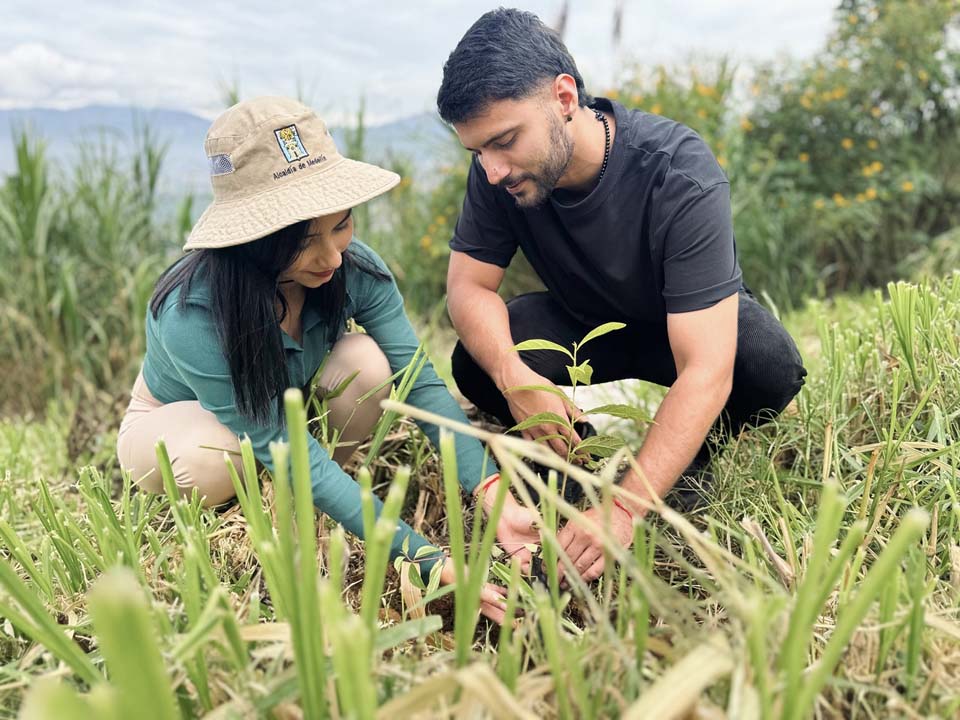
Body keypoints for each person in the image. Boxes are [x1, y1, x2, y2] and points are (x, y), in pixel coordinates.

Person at [116, 96, 535, 623]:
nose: (332, 257)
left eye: (341, 225)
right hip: (179, 422)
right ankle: (247, 508)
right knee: (214, 454)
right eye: (302, 242)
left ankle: (317, 494)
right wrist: (424, 557)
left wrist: (492, 490)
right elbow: (285, 445)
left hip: (283, 410)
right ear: (252, 239)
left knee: (368, 364)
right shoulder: (192, 312)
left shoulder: (354, 269)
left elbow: (418, 379)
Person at [437, 10, 807, 583]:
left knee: (766, 364)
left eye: (505, 141)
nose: (492, 170)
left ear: (564, 98)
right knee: (477, 359)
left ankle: (690, 461)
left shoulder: (678, 171)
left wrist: (626, 508)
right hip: (586, 326)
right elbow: (467, 286)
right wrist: (516, 378)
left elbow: (706, 367)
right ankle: (571, 456)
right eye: (478, 151)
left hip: (682, 328)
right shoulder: (498, 173)